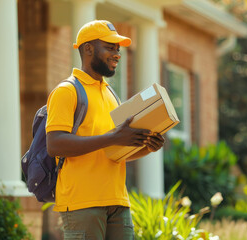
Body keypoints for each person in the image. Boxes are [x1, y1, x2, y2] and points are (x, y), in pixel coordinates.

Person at [46, 20, 165, 240]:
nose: (117, 54)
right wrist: (112, 137)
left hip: (118, 201)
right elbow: (55, 145)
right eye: (110, 47)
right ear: (88, 48)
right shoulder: (67, 91)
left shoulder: (111, 94)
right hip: (83, 203)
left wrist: (147, 146)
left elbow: (114, 151)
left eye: (118, 49)